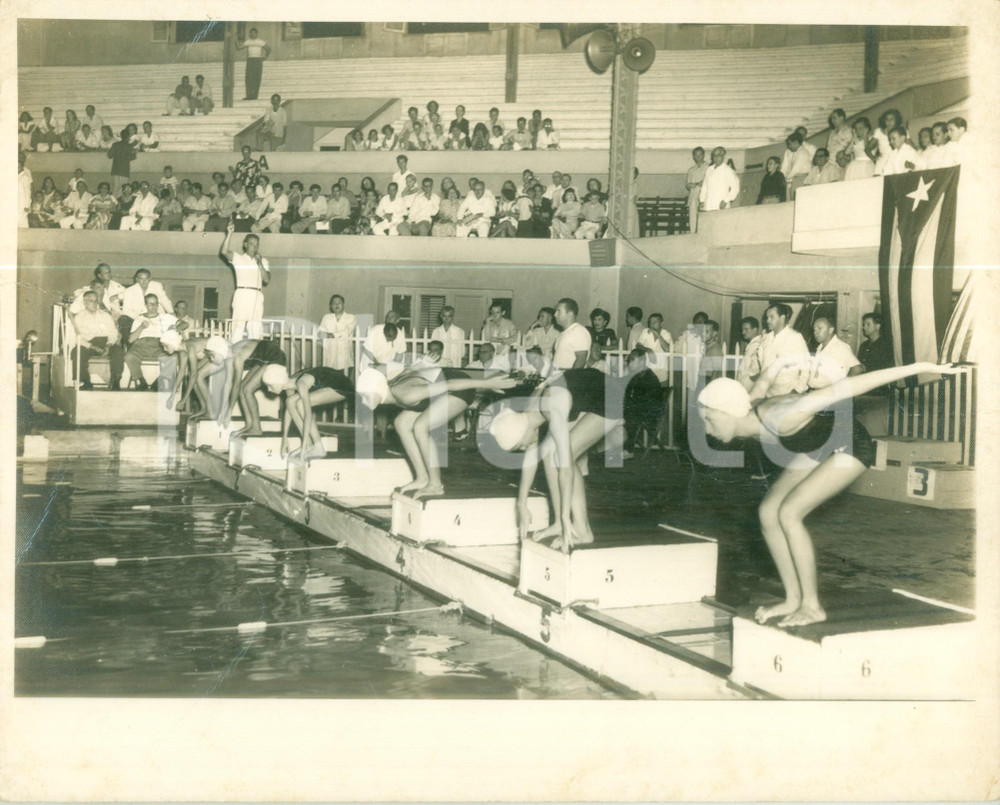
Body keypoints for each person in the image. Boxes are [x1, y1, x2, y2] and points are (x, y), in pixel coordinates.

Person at [696, 361, 954, 627]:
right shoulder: (749, 407)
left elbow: (847, 387)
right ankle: (792, 599)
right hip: (817, 446)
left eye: (710, 419)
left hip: (851, 445)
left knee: (789, 513)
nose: (706, 429)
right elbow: (764, 378)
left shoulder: (781, 416)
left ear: (730, 413)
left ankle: (812, 606)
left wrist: (923, 366)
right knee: (768, 512)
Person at [490, 368, 626, 550]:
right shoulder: (529, 413)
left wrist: (565, 516)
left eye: (519, 446)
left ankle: (583, 532)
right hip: (586, 396)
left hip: (611, 397)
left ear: (523, 432)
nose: (523, 449)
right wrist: (521, 503)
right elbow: (531, 458)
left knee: (565, 455)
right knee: (548, 453)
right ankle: (558, 525)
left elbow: (566, 468)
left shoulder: (550, 408)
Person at [357, 364, 516, 497]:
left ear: (377, 390)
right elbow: (417, 370)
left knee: (421, 427)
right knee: (401, 423)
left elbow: (450, 384)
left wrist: (487, 384)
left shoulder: (406, 394)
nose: (363, 401)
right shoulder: (393, 390)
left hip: (457, 389)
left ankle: (435, 484)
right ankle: (422, 478)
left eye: (365, 396)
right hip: (445, 384)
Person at [262, 364, 355, 461]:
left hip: (342, 387)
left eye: (270, 385)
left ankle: (318, 447)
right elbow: (289, 411)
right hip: (326, 383)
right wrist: (284, 439)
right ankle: (309, 445)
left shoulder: (301, 384)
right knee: (290, 401)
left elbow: (308, 415)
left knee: (300, 404)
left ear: (278, 382)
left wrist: (303, 445)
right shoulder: (288, 385)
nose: (268, 389)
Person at [220, 224, 269, 343]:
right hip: (242, 293)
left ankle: (254, 355)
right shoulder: (238, 258)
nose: (254, 247)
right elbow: (224, 251)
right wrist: (229, 234)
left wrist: (260, 264)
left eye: (257, 245)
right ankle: (233, 352)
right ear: (245, 244)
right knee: (238, 326)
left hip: (257, 295)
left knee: (255, 328)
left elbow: (266, 279)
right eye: (252, 244)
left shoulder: (263, 261)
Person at [70, 290, 123, 390]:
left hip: (106, 342)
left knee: (118, 351)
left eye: (96, 300)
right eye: (91, 301)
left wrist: (109, 345)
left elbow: (113, 332)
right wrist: (92, 346)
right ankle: (85, 382)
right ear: (84, 302)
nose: (94, 303)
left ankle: (115, 381)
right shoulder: (79, 317)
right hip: (88, 344)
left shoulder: (105, 315)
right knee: (76, 352)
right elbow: (77, 338)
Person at [755, 303, 809, 399]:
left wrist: (796, 391)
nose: (767, 320)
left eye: (772, 317)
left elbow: (806, 368)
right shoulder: (767, 338)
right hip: (766, 394)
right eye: (767, 317)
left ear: (782, 318)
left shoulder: (794, 338)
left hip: (786, 395)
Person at [124, 294, 178, 390]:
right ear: (145, 305)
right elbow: (131, 339)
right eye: (150, 304)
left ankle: (157, 383)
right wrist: (142, 327)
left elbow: (183, 324)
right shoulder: (139, 318)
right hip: (141, 345)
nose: (154, 306)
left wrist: (173, 330)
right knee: (129, 356)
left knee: (173, 359)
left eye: (156, 303)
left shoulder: (165, 318)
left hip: (159, 345)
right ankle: (141, 380)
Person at [807, 316, 862, 389]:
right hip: (817, 393)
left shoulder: (840, 347)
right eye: (814, 329)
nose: (815, 332)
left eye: (819, 328)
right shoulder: (820, 348)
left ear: (831, 330)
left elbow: (857, 369)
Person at [318, 294, 356, 375]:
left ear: (343, 304)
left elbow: (346, 332)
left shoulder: (351, 317)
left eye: (339, 303)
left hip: (345, 360)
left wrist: (331, 335)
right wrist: (331, 335)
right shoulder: (326, 317)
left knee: (343, 385)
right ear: (331, 306)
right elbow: (320, 333)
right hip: (329, 358)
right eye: (334, 303)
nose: (336, 305)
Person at [552, 298, 592, 370]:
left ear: (570, 314)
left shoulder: (578, 331)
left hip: (568, 379)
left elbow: (581, 360)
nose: (555, 315)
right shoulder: (563, 333)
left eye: (559, 311)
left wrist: (570, 379)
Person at [700, 147, 740, 211]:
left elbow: (735, 188)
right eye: (714, 155)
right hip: (708, 205)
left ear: (723, 157)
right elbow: (704, 186)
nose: (716, 158)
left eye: (718, 155)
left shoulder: (727, 170)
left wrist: (726, 200)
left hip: (721, 205)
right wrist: (702, 200)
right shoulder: (709, 169)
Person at [238, 27, 270, 101]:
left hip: (258, 60)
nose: (252, 34)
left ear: (256, 34)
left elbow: (268, 49)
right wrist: (235, 39)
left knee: (256, 78)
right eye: (251, 33)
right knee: (249, 78)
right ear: (250, 34)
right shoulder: (248, 42)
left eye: (254, 33)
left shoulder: (260, 42)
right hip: (250, 60)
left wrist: (265, 57)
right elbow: (239, 48)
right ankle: (248, 95)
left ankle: (254, 96)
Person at [779, 132, 813, 199]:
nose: (789, 146)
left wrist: (786, 178)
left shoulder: (803, 152)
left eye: (790, 144)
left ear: (796, 142)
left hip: (802, 179)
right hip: (795, 179)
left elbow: (796, 169)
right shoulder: (794, 152)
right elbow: (785, 167)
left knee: (800, 200)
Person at [737, 316, 765, 391]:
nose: (743, 332)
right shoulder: (752, 344)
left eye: (746, 329)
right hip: (745, 385)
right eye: (742, 329)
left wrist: (751, 379)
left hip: (751, 386)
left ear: (755, 330)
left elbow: (761, 367)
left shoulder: (759, 344)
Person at [843, 117, 875, 181]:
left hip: (866, 164)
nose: (858, 131)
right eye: (856, 129)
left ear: (867, 129)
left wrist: (865, 136)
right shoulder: (855, 141)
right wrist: (853, 138)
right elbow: (847, 152)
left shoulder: (872, 139)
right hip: (855, 166)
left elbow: (867, 149)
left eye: (860, 128)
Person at [107, 129, 135, 196]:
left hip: (115, 170)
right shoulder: (129, 146)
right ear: (128, 137)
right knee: (122, 188)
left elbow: (109, 155)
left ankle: (113, 202)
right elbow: (130, 158)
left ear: (121, 136)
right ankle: (119, 203)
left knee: (115, 188)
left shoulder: (115, 144)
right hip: (124, 170)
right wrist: (134, 153)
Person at [685, 147, 708, 232]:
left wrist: (698, 183)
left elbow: (707, 182)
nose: (698, 157)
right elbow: (688, 185)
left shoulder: (708, 167)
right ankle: (692, 235)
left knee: (703, 217)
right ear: (693, 157)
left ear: (703, 155)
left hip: (704, 197)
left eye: (700, 155)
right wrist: (690, 185)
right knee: (693, 218)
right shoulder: (691, 170)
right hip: (693, 196)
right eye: (696, 155)